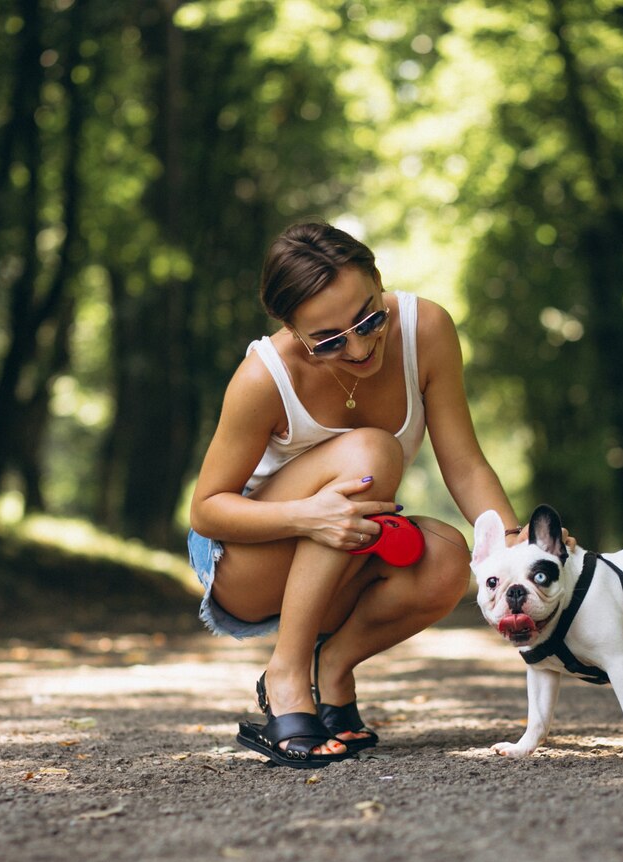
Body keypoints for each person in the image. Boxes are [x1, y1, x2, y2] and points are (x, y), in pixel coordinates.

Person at [187, 221, 524, 768]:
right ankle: (286, 674)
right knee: (370, 456)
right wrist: (307, 516)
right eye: (329, 340)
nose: (362, 345)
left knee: (446, 558)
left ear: (378, 278)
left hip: (338, 559)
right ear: (293, 330)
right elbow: (206, 510)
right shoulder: (263, 377)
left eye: (369, 317)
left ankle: (333, 670)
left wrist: (513, 543)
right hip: (245, 563)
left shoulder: (426, 329)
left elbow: (464, 464)